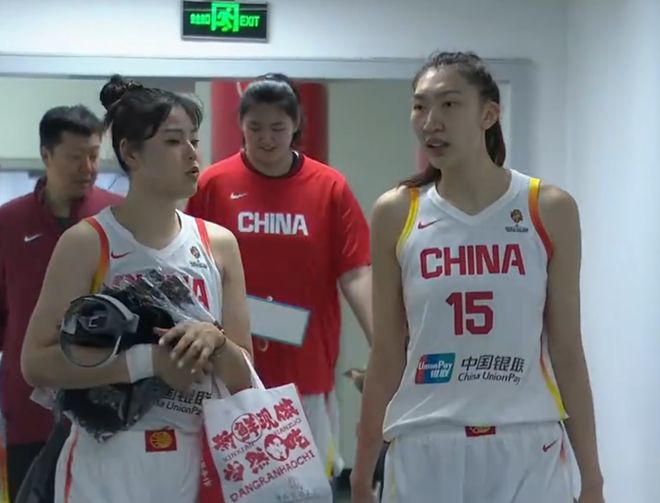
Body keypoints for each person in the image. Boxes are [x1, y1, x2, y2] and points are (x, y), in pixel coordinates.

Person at [350, 51, 604, 503]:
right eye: (420, 106)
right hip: (426, 442)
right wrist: (363, 467)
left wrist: (593, 478)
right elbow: (387, 352)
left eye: (449, 104)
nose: (431, 121)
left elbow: (567, 349)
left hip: (527, 441)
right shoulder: (398, 211)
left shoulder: (547, 208)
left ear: (488, 114)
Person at [20, 75, 254, 502]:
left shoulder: (219, 244)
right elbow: (35, 363)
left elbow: (245, 376)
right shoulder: (87, 242)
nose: (192, 153)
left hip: (198, 459)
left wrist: (217, 343)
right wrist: (147, 361)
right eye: (173, 141)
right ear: (131, 153)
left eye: (194, 139)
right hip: (106, 462)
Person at [186, 73, 372, 481]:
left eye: (277, 128)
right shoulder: (213, 184)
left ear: (296, 125)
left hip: (306, 371)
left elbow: (356, 272)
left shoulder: (329, 187)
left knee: (305, 487)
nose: (266, 139)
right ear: (240, 125)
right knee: (232, 486)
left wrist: (384, 343)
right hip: (228, 370)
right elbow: (190, 268)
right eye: (255, 128)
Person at [0, 105, 122, 500]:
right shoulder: (8, 223)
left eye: (94, 155)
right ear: (46, 155)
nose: (88, 167)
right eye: (75, 157)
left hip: (106, 410)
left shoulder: (117, 218)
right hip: (29, 411)